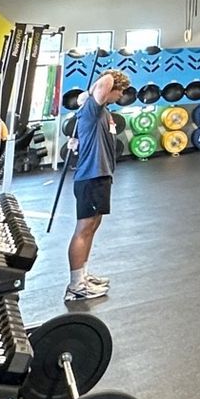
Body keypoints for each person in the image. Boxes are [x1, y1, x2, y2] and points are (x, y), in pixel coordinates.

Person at [66, 66, 132, 302]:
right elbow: (106, 80)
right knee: (83, 229)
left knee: (92, 227)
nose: (121, 95)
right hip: (91, 176)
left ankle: (82, 275)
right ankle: (75, 286)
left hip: (100, 176)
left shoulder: (101, 110)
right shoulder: (92, 108)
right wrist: (107, 79)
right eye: (120, 90)